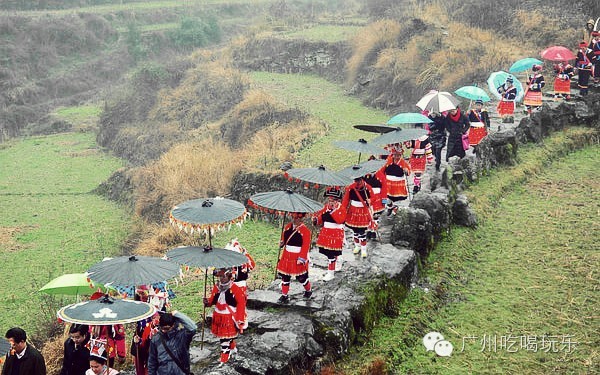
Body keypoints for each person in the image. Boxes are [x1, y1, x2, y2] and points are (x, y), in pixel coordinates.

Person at [203, 268, 247, 366]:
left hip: (229, 316)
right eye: (220, 277)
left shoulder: (235, 288)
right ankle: (232, 348)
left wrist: (240, 319)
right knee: (226, 336)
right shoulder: (217, 287)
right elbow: (213, 299)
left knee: (224, 338)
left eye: (223, 277)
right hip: (218, 315)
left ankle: (224, 358)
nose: (221, 279)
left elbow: (241, 303)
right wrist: (208, 302)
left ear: (229, 277)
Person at [276, 212, 313, 303]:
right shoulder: (288, 227)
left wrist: (301, 258)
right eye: (293, 217)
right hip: (287, 255)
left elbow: (305, 246)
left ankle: (308, 291)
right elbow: (284, 239)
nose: (295, 220)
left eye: (297, 218)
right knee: (285, 276)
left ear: (302, 219)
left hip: (297, 256)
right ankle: (284, 295)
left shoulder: (305, 231)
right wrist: (282, 243)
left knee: (301, 277)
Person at [313, 187, 346, 281]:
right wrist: (316, 220)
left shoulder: (341, 208)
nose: (331, 202)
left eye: (333, 200)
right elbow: (320, 219)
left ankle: (331, 273)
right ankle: (338, 260)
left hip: (336, 233)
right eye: (330, 200)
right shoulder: (325, 207)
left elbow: (340, 220)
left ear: (338, 200)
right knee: (328, 252)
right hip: (326, 232)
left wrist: (334, 211)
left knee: (331, 254)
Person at [147, 311, 197, 375]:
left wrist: (177, 314)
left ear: (173, 325)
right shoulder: (156, 339)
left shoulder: (182, 336)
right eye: (162, 328)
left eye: (166, 328)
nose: (163, 331)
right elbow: (152, 361)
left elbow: (193, 328)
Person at [342, 175, 375, 257]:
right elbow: (346, 200)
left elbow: (373, 198)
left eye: (358, 180)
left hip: (363, 211)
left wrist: (369, 200)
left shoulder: (368, 188)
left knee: (362, 231)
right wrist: (342, 211)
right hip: (353, 211)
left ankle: (364, 249)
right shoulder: (350, 188)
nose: (357, 182)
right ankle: (357, 246)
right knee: (355, 231)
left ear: (362, 180)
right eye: (355, 180)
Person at [379, 143, 411, 216]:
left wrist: (406, 170)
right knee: (387, 197)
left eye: (399, 155)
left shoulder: (402, 162)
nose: (397, 157)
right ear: (393, 154)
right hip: (388, 183)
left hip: (398, 184)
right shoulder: (388, 160)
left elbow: (408, 171)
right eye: (396, 155)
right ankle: (389, 207)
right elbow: (382, 170)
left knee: (397, 198)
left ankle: (396, 209)